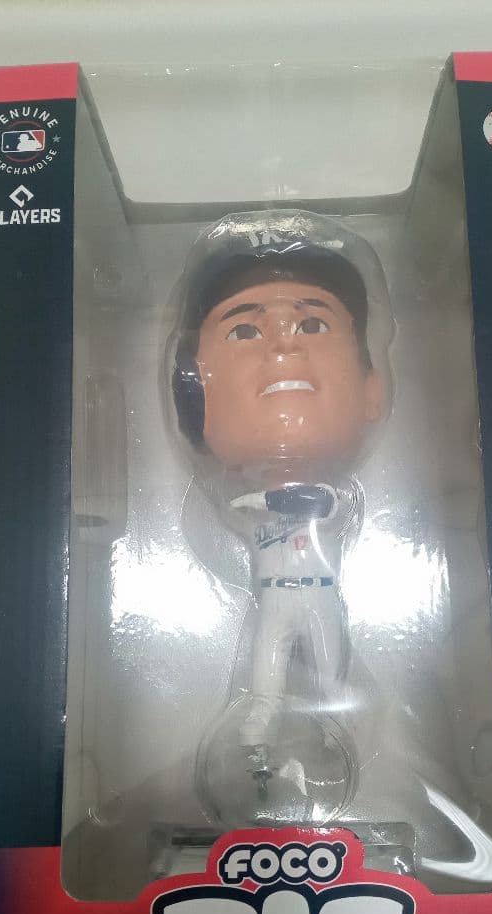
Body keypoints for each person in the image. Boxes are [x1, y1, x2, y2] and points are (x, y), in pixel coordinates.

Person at [171, 213, 386, 798]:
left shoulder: (321, 500)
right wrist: (265, 498)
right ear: (193, 396)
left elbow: (318, 504)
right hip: (273, 600)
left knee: (329, 681)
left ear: (372, 389)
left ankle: (333, 745)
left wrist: (277, 497)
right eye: (245, 331)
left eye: (312, 324)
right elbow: (260, 505)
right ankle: (257, 755)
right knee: (264, 685)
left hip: (318, 595)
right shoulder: (246, 503)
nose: (284, 343)